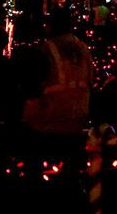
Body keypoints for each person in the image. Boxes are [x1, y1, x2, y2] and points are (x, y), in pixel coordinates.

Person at [23, 8, 93, 142]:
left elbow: (34, 84)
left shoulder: (47, 49)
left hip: (51, 117)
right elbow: (90, 79)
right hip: (79, 115)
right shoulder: (83, 48)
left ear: (52, 25)